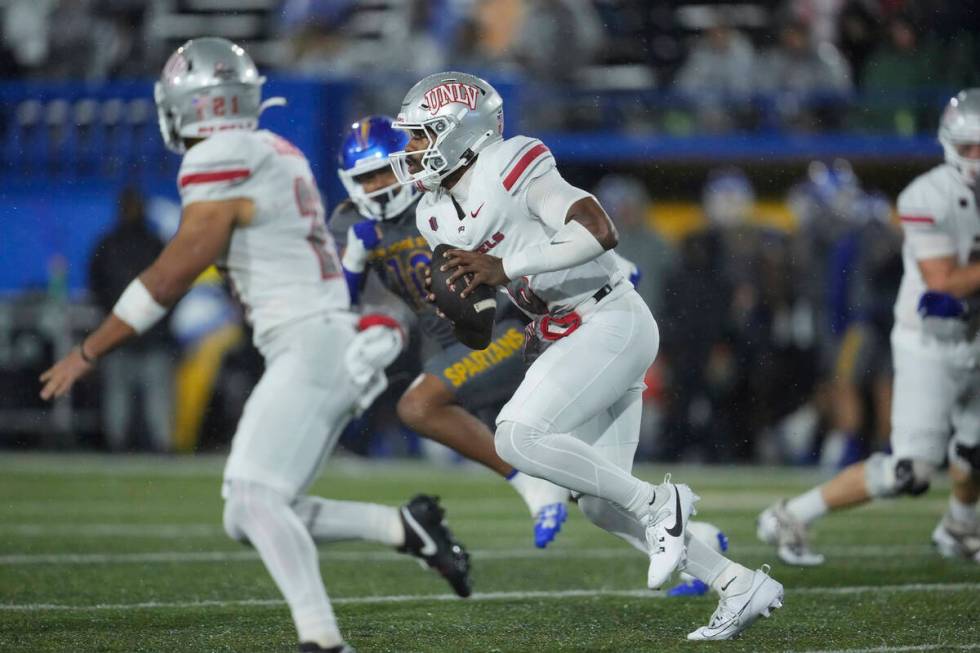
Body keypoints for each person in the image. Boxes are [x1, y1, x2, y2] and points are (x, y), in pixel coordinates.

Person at [39, 38, 471, 653]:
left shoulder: (221, 155)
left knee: (253, 498)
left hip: (313, 343)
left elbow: (173, 273)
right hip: (320, 343)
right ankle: (404, 528)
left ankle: (322, 640)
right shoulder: (273, 148)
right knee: (251, 512)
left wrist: (88, 350)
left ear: (195, 106)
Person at [388, 70, 783, 640]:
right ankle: (738, 584)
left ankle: (661, 503)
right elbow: (478, 324)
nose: (412, 149)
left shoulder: (509, 161)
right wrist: (462, 311)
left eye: (422, 135)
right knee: (599, 504)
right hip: (566, 329)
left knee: (515, 436)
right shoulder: (432, 213)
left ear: (461, 133)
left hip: (611, 318)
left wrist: (507, 270)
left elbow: (599, 229)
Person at [757, 89, 980, 567]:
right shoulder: (927, 197)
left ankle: (960, 528)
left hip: (970, 334)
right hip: (930, 340)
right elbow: (945, 283)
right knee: (910, 470)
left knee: (975, 450)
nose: (977, 159)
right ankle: (791, 514)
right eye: (969, 148)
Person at [330, 115, 570, 548]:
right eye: (366, 178)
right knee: (585, 482)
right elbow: (334, 307)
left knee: (419, 406)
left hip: (505, 330)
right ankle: (693, 545)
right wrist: (352, 259)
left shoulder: (442, 198)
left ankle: (532, 488)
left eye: (385, 170)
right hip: (447, 347)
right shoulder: (351, 225)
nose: (379, 185)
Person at [88, 186, 175, 452]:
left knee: (140, 398)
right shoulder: (150, 243)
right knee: (126, 398)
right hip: (140, 334)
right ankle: (129, 446)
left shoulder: (119, 243)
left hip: (132, 334)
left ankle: (144, 446)